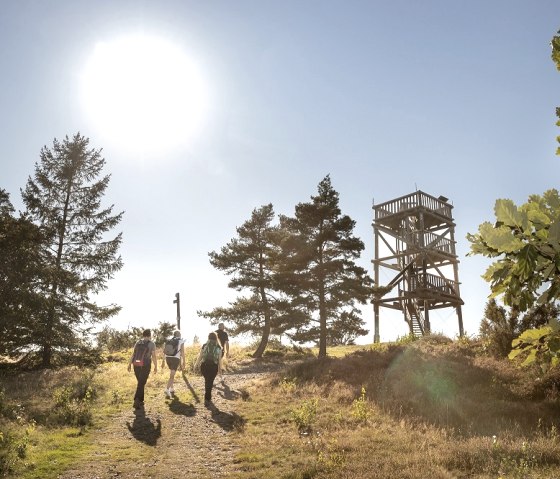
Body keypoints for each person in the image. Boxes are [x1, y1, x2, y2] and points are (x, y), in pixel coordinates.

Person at [128, 329, 158, 409]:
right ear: (150, 335)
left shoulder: (138, 342)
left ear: (143, 335)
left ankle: (141, 401)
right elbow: (154, 356)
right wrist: (156, 366)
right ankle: (136, 400)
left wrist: (129, 364)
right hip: (146, 364)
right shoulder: (152, 344)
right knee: (141, 383)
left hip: (136, 364)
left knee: (140, 383)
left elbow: (133, 354)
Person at [194, 332, 222, 404]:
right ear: (216, 338)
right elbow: (219, 361)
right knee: (210, 381)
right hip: (214, 366)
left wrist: (196, 365)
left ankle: (207, 397)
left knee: (207, 380)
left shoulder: (205, 345)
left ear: (208, 337)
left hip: (204, 366)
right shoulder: (219, 347)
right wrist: (220, 371)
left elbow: (200, 356)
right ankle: (208, 397)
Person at [161, 330, 185, 398]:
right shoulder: (181, 341)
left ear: (174, 335)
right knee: (172, 375)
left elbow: (165, 352)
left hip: (167, 358)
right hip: (175, 359)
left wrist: (163, 361)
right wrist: (184, 362)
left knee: (171, 373)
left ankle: (171, 388)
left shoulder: (168, 341)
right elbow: (182, 352)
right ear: (179, 335)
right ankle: (167, 389)